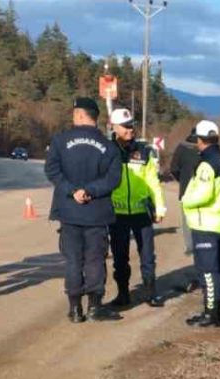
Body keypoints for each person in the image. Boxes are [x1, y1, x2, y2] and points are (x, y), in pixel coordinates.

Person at [45, 97, 123, 323]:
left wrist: (73, 191)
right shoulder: (110, 147)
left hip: (69, 212)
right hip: (96, 213)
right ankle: (95, 307)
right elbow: (113, 179)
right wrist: (89, 190)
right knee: (95, 259)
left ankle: (75, 309)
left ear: (79, 115)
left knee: (73, 261)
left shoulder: (60, 141)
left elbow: (52, 171)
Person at [107, 108, 167, 308]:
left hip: (141, 213)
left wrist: (160, 207)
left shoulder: (143, 151)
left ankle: (151, 293)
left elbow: (153, 181)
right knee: (120, 257)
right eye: (125, 126)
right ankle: (123, 294)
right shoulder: (107, 151)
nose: (130, 129)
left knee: (148, 256)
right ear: (114, 127)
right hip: (117, 214)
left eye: (131, 125)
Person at [181, 119, 220, 328]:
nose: (196, 145)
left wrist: (185, 200)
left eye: (197, 141)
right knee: (217, 270)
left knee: (208, 271)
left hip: (206, 224)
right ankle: (214, 311)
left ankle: (211, 314)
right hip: (219, 222)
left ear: (201, 140)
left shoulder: (207, 164)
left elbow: (202, 194)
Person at [169, 136, 201, 291]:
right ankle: (201, 246)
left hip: (186, 192)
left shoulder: (182, 147)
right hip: (204, 195)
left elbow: (174, 168)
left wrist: (182, 179)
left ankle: (190, 247)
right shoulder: (209, 149)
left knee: (187, 222)